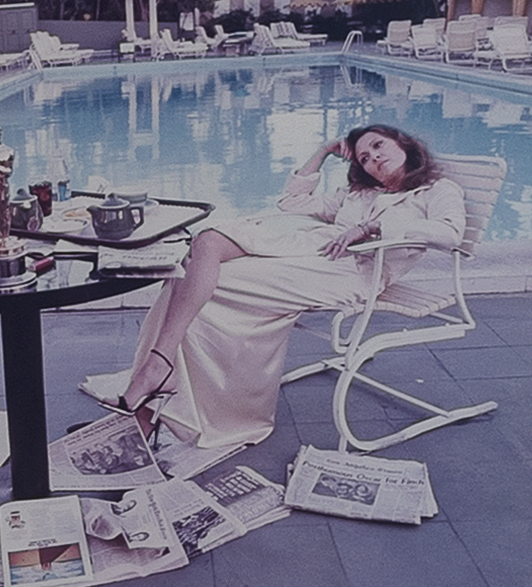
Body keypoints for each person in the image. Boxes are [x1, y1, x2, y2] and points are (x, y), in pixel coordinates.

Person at [95, 110, 470, 458]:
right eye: (364, 158)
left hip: (355, 273)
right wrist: (323, 152)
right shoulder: (359, 193)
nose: (372, 159)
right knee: (200, 254)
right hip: (316, 255)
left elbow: (450, 234)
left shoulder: (437, 189)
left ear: (402, 143)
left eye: (377, 146)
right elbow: (290, 203)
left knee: (198, 284)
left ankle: (155, 395)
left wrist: (372, 226)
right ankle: (157, 374)